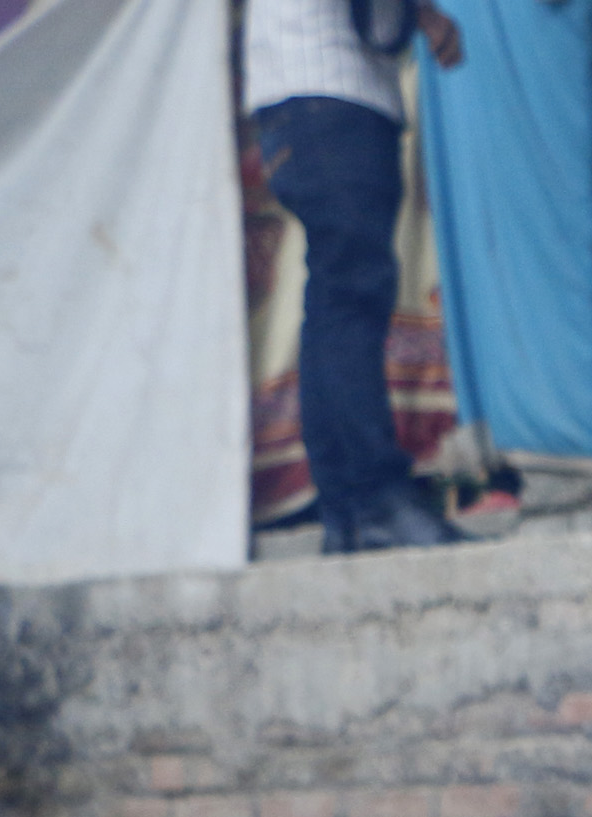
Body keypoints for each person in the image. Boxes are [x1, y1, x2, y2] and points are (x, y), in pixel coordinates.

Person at [246, 0, 467, 551]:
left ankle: (347, 511)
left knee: (336, 297)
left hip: (301, 95)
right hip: (329, 92)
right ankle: (375, 500)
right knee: (352, 295)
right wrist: (429, 17)